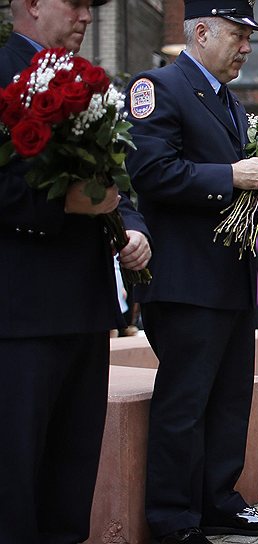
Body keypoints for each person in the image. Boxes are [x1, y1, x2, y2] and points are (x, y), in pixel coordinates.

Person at [124, 1, 258, 542]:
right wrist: (232, 173)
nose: (247, 46)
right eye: (237, 34)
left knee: (228, 397)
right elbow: (150, 172)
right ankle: (173, 517)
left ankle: (218, 499)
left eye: (250, 35)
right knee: (186, 401)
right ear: (201, 32)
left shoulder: (230, 103)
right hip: (184, 277)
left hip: (228, 275)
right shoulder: (157, 87)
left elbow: (243, 181)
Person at [0, 1, 151, 542]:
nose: (87, 15)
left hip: (85, 310)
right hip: (22, 313)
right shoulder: (2, 70)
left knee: (71, 474)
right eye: (77, 2)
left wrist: (131, 226)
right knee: (16, 480)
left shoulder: (89, 84)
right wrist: (62, 205)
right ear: (32, 5)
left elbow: (117, 177)